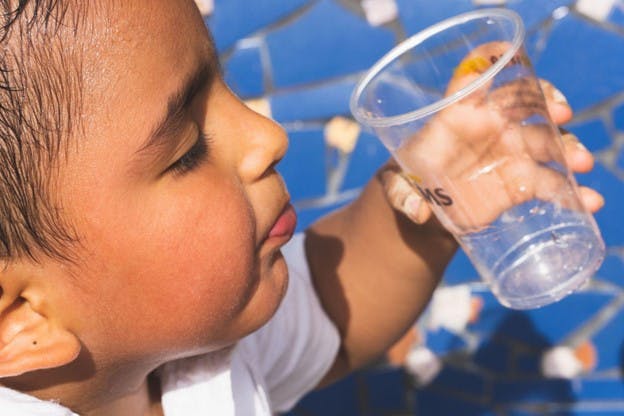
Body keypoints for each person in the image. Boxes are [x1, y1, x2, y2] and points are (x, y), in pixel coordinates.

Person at [0, 1, 603, 415]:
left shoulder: (189, 345)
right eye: (185, 151)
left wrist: (438, 192)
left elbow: (336, 317)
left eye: (226, 82)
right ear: (21, 322)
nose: (268, 136)